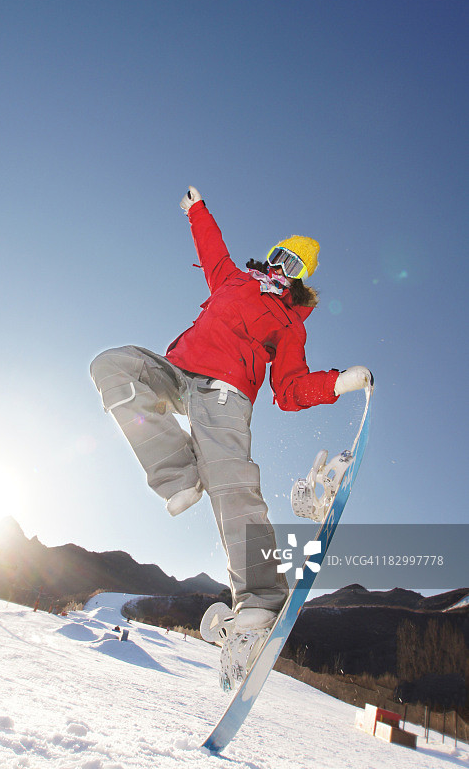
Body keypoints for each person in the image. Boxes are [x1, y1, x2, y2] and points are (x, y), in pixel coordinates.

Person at [90, 187, 371, 690]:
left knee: (231, 484)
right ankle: (176, 473)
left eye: (293, 266)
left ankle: (261, 597)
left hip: (225, 393)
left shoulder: (289, 323)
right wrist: (198, 211)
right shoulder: (234, 278)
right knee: (113, 365)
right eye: (280, 255)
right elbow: (212, 251)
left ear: (301, 280)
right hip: (178, 369)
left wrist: (336, 382)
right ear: (272, 254)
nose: (281, 267)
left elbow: (288, 389)